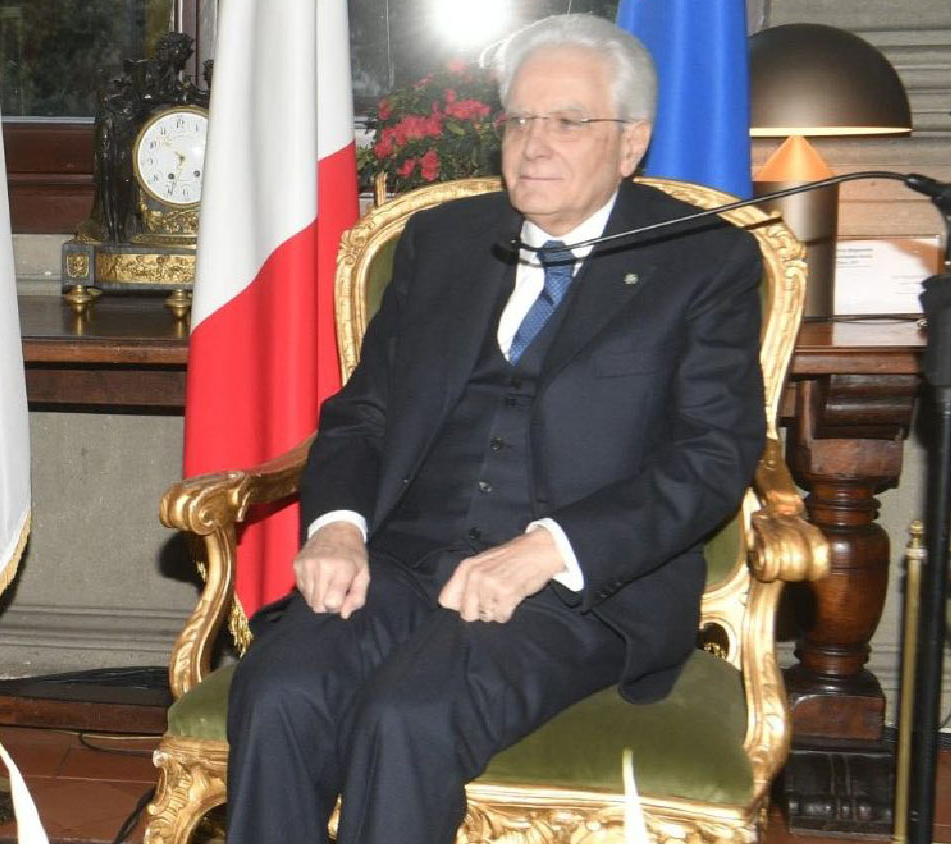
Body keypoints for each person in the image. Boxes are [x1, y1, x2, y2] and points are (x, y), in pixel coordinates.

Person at [224, 14, 765, 844]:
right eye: (518, 119)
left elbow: (710, 459)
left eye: (568, 121)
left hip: (574, 592)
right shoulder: (442, 241)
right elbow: (362, 414)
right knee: (280, 688)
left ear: (631, 144)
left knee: (411, 714)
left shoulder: (700, 260)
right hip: (402, 561)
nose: (533, 144)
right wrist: (337, 528)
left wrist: (547, 550)